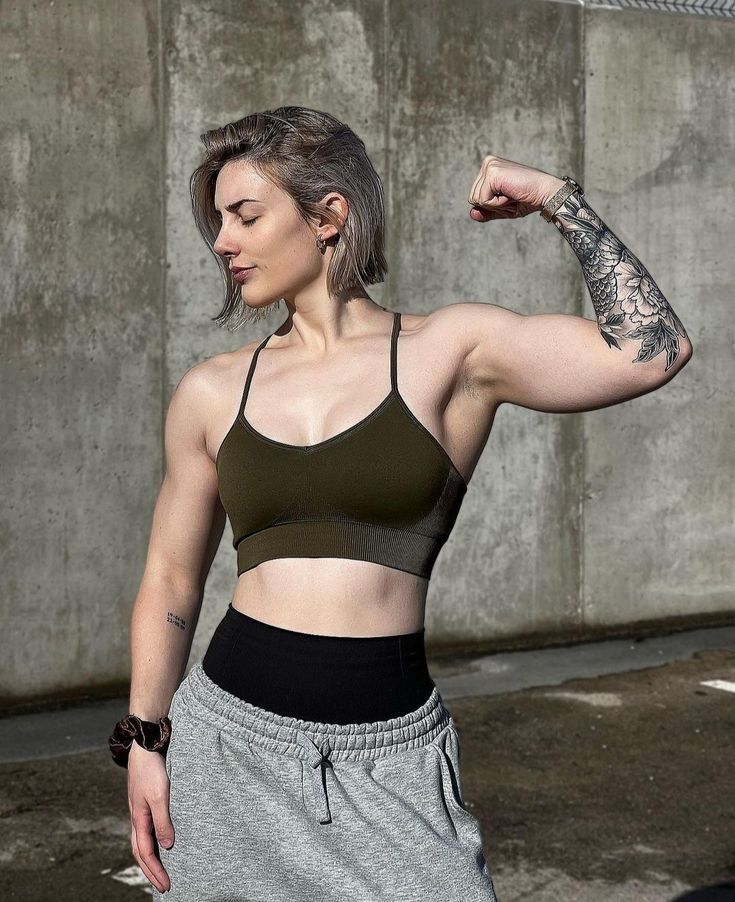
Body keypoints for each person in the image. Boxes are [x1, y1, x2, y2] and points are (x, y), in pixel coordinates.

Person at [110, 106, 693, 901]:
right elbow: (172, 580)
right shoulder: (212, 390)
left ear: (327, 216)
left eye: (245, 215)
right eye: (218, 220)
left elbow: (649, 351)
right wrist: (145, 740)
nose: (222, 242)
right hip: (227, 746)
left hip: (390, 764)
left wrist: (558, 198)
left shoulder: (449, 352)